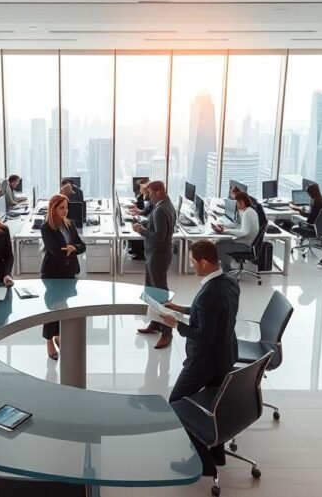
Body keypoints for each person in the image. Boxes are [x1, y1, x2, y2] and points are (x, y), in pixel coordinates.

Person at [158, 241, 239, 479]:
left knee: (176, 403)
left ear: (203, 262)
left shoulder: (208, 294)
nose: (192, 265)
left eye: (193, 261)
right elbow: (212, 313)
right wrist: (182, 309)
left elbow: (203, 335)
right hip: (225, 356)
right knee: (215, 407)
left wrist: (176, 324)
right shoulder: (229, 281)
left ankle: (202, 462)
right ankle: (217, 454)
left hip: (204, 361)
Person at [39, 194, 87, 360]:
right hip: (52, 272)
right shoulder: (46, 228)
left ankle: (59, 335)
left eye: (66, 207)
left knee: (63, 306)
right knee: (52, 308)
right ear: (53, 209)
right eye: (61, 208)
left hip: (69, 271)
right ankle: (49, 341)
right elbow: (55, 251)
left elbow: (82, 245)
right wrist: (73, 249)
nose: (65, 211)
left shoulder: (70, 224)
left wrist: (73, 248)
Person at [133, 180, 177, 349]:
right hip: (157, 254)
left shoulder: (160, 210)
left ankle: (167, 332)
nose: (148, 197)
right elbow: (160, 228)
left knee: (160, 293)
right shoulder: (166, 203)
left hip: (158, 255)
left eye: (150, 193)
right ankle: (156, 323)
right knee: (151, 291)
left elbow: (159, 237)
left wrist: (142, 231)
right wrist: (147, 224)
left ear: (158, 191)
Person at [213, 192, 261, 272]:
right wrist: (224, 226)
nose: (237, 205)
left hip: (246, 245)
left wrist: (225, 231)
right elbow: (237, 225)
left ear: (242, 202)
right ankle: (226, 267)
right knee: (219, 241)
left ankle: (227, 269)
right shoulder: (249, 211)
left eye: (237, 203)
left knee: (219, 246)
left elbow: (244, 232)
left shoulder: (247, 213)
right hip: (247, 242)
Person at [126, 179, 152, 261]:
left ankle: (140, 253)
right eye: (141, 187)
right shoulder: (143, 196)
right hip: (145, 218)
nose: (140, 189)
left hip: (148, 221)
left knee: (133, 229)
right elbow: (145, 210)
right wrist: (137, 211)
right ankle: (135, 250)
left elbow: (147, 212)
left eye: (142, 188)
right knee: (130, 226)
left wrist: (139, 213)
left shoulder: (151, 198)